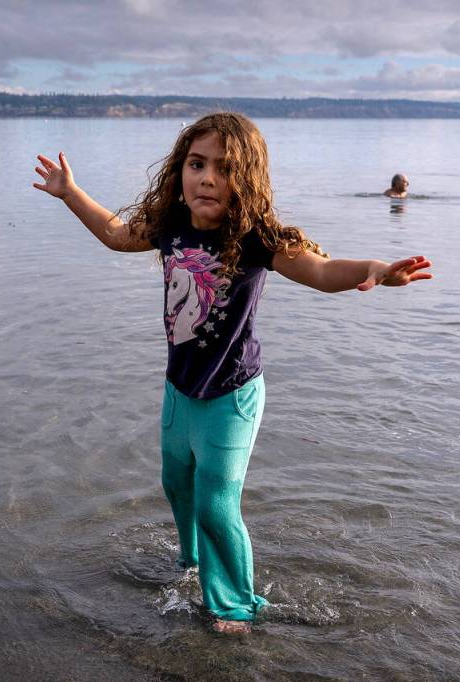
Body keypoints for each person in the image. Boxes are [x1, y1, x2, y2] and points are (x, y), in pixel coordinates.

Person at [32, 112, 432, 635]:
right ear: (180, 170)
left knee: (216, 495)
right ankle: (191, 563)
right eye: (197, 164)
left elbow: (319, 269)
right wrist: (71, 193)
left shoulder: (256, 239)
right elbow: (115, 233)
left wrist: (374, 269)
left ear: (246, 181)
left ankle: (234, 606)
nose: (207, 178)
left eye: (224, 169)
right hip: (179, 390)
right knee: (177, 483)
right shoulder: (170, 227)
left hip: (232, 393)